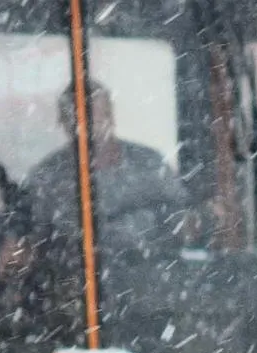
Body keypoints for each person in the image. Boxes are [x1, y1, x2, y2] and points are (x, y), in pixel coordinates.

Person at [23, 80, 196, 253]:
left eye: (97, 118)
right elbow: (29, 234)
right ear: (63, 123)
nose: (88, 130)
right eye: (77, 121)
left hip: (150, 271)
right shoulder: (46, 177)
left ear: (111, 117)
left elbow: (182, 220)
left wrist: (195, 222)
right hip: (76, 275)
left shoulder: (149, 164)